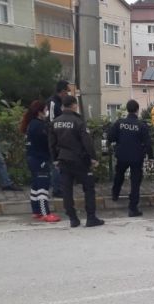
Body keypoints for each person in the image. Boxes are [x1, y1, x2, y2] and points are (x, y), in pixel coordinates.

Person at [49, 95, 104, 227]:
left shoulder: (55, 122)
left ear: (63, 106)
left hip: (63, 160)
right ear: (74, 105)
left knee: (67, 191)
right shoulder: (78, 121)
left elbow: (51, 143)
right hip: (79, 160)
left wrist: (55, 159)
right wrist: (93, 158)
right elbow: (87, 142)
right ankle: (91, 217)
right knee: (89, 188)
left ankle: (73, 218)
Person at [109, 99, 152, 217]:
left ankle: (115, 194)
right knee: (135, 181)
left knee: (119, 175)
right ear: (137, 110)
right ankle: (133, 208)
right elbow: (148, 143)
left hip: (122, 155)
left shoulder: (119, 123)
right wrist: (150, 156)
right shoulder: (141, 125)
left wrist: (119, 142)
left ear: (127, 109)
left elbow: (110, 137)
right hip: (136, 157)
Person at [20, 100, 61, 222]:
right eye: (45, 110)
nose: (47, 112)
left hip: (32, 158)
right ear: (39, 112)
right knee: (43, 186)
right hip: (40, 159)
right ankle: (45, 213)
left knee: (36, 185)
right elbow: (47, 143)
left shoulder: (31, 124)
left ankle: (36, 211)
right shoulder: (39, 126)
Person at [46, 80, 69, 198]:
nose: (67, 94)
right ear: (62, 91)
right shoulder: (53, 103)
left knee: (60, 163)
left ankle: (60, 186)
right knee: (55, 163)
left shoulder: (61, 103)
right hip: (54, 138)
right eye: (66, 91)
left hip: (61, 137)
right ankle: (56, 189)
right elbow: (50, 121)